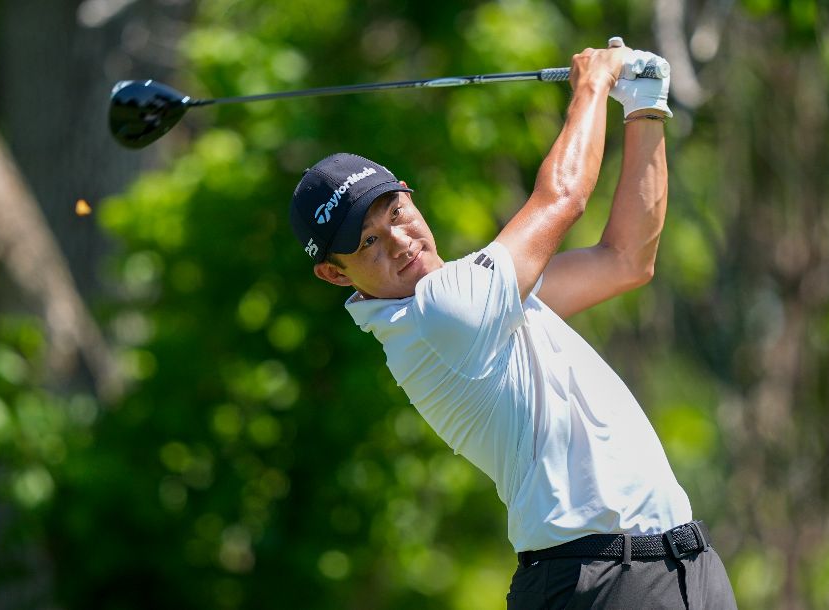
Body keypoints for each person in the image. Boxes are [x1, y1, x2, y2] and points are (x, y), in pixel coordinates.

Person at [288, 39, 738, 609]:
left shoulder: (478, 297)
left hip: (681, 566)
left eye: (396, 212)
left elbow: (626, 260)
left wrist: (646, 108)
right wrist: (594, 85)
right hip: (597, 581)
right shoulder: (443, 312)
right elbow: (564, 196)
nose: (400, 242)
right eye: (367, 242)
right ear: (334, 274)